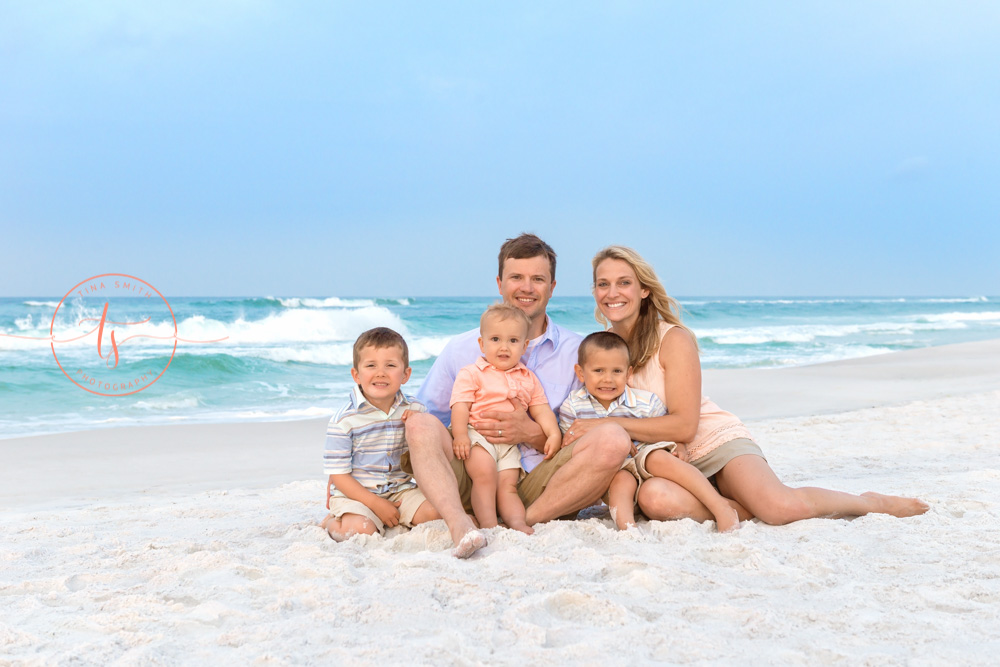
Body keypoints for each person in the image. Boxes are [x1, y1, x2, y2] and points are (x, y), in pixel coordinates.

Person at [561, 245, 929, 525]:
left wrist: (608, 426)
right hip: (664, 459)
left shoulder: (672, 338)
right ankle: (736, 506)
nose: (613, 292)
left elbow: (686, 425)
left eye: (624, 282)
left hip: (711, 441)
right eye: (603, 284)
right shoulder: (602, 351)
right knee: (658, 501)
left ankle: (869, 502)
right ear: (594, 292)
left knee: (779, 508)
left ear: (643, 289)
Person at [404, 233, 631, 557]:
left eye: (537, 279)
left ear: (552, 287)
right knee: (418, 424)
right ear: (500, 283)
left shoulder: (578, 352)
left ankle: (526, 521)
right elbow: (426, 417)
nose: (526, 287)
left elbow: (586, 434)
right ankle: (460, 524)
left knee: (613, 438)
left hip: (543, 485)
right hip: (471, 475)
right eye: (516, 278)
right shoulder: (463, 349)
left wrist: (532, 433)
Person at [560, 331, 740, 532]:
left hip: (646, 457)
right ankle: (627, 528)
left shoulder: (645, 402)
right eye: (599, 371)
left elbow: (666, 430)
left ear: (628, 373)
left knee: (657, 458)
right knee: (621, 481)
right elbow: (571, 447)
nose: (608, 379)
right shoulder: (573, 407)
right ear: (581, 373)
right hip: (613, 468)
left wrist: (678, 444)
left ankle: (719, 505)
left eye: (616, 371)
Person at [321, 327, 442, 541]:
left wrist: (420, 422)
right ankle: (332, 521)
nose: (380, 373)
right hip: (357, 495)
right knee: (361, 530)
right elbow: (338, 476)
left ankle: (397, 518)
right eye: (370, 365)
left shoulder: (415, 410)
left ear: (405, 374)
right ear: (356, 374)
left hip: (400, 491)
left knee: (435, 513)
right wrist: (376, 504)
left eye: (391, 365)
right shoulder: (343, 420)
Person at [451, 303, 562, 534]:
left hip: (509, 446)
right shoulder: (472, 373)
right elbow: (460, 406)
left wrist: (553, 433)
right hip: (477, 435)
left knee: (508, 486)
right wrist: (460, 434)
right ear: (482, 344)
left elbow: (541, 409)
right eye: (495, 340)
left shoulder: (528, 377)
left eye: (513, 341)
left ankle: (517, 522)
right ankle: (489, 524)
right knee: (485, 475)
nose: (504, 347)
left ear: (524, 346)